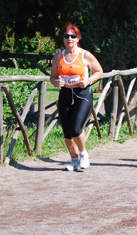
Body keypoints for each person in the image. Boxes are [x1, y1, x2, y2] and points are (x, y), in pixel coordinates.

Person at [50, 23, 103, 171]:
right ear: (63, 38)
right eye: (66, 36)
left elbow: (99, 71)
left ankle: (83, 154)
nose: (70, 38)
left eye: (73, 36)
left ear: (78, 38)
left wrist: (88, 80)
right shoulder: (58, 57)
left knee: (75, 127)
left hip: (82, 94)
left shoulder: (84, 55)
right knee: (67, 131)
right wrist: (56, 82)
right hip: (65, 94)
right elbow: (53, 77)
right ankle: (74, 160)